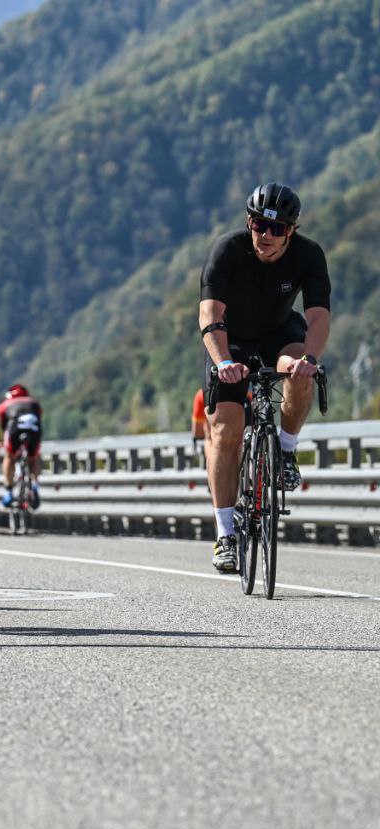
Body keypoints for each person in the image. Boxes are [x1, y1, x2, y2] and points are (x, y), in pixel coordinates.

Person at [199, 182, 330, 573]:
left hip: (280, 334)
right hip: (231, 341)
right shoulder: (228, 250)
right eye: (260, 225)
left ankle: (286, 449)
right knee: (225, 430)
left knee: (299, 370)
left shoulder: (308, 255)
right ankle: (226, 535)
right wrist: (223, 362)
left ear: (292, 231)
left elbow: (319, 317)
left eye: (278, 229)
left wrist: (310, 359)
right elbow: (209, 314)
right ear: (249, 222)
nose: (266, 235)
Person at [0, 384, 42, 508]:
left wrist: (2, 442)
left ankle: (8, 492)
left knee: (9, 457)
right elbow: (39, 418)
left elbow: (4, 427)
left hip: (14, 430)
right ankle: (35, 486)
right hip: (34, 430)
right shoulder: (34, 403)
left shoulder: (5, 404)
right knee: (34, 457)